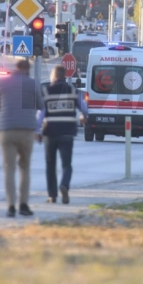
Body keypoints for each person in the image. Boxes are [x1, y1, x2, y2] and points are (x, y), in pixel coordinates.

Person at [0, 59, 43, 218]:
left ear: (15, 69)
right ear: (27, 70)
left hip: (7, 130)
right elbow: (40, 105)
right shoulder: (32, 84)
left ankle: (11, 206)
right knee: (24, 168)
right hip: (26, 131)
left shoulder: (2, 84)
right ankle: (24, 204)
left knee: (9, 169)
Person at [36, 65, 88, 204]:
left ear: (54, 76)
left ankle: (52, 195)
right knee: (67, 165)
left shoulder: (46, 91)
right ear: (64, 76)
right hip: (67, 132)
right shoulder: (72, 91)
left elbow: (41, 114)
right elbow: (83, 107)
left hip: (50, 133)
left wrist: (38, 131)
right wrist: (83, 116)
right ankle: (64, 185)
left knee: (50, 165)